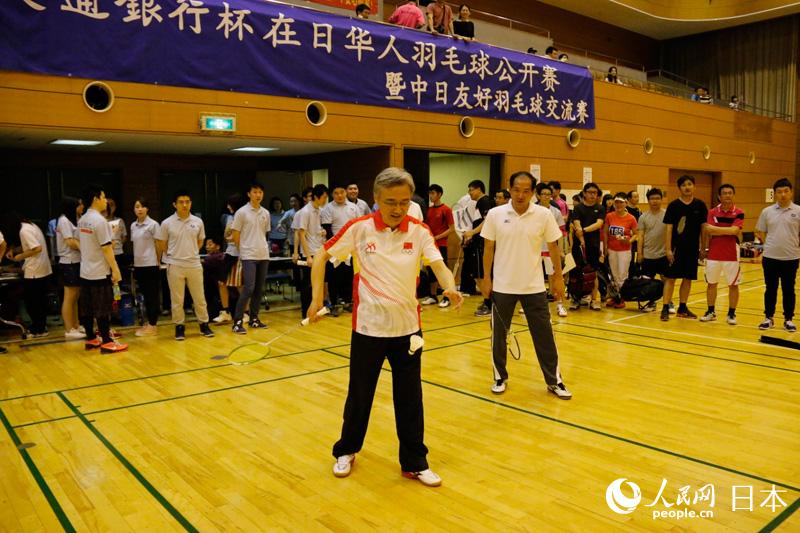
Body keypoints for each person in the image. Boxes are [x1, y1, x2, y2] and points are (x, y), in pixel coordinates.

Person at [307, 167, 463, 487]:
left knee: (410, 399)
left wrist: (450, 286)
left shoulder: (419, 231)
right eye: (391, 202)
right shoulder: (359, 228)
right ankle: (346, 450)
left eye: (404, 202)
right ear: (376, 198)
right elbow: (321, 256)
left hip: (408, 331)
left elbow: (438, 264)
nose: (398, 208)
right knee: (359, 396)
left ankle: (415, 462)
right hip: (368, 329)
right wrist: (316, 298)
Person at [480, 171, 571, 399]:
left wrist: (558, 278)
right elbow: (488, 249)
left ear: (533, 193)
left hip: (534, 287)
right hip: (502, 286)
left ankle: (554, 380)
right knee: (498, 336)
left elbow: (553, 247)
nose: (520, 195)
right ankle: (500, 377)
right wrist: (486, 279)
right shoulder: (495, 214)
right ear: (509, 189)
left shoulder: (544, 215)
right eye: (516, 190)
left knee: (545, 336)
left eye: (526, 191)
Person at [157, 190, 214, 341]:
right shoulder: (167, 223)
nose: (184, 205)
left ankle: (204, 324)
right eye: (181, 202)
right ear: (174, 204)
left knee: (199, 297)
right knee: (177, 299)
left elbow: (200, 241)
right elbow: (162, 243)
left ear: (191, 203)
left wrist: (191, 252)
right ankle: (179, 326)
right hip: (175, 265)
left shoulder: (198, 221)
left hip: (194, 264)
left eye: (187, 202)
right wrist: (173, 255)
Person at [77, 184, 127, 353]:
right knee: (103, 307)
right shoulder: (100, 221)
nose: (106, 201)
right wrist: (116, 269)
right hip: (99, 271)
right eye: (104, 197)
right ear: (95, 199)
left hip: (85, 271)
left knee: (87, 307)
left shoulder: (82, 219)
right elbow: (106, 248)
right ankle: (106, 341)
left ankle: (91, 338)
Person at [660, 175, 708, 321]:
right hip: (676, 249)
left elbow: (704, 228)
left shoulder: (700, 205)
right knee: (671, 278)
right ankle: (665, 307)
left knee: (688, 278)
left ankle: (682, 307)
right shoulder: (673, 206)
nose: (687, 187)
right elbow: (668, 229)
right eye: (683, 185)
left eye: (689, 184)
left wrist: (703, 248)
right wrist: (668, 249)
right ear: (679, 188)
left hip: (692, 249)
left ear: (694, 186)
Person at [755, 177, 800, 332]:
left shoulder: (798, 211)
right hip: (770, 258)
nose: (783, 194)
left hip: (791, 258)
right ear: (774, 194)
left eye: (786, 191)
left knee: (789, 289)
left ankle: (788, 319)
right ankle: (768, 317)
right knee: (770, 289)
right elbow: (760, 231)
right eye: (779, 192)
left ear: (791, 192)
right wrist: (768, 245)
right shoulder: (767, 212)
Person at [699, 184, 744, 325]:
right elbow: (708, 230)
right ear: (719, 196)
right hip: (714, 253)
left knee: (733, 285)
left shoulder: (739, 212)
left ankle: (731, 314)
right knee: (711, 283)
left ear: (733, 195)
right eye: (724, 193)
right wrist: (727, 230)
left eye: (730, 193)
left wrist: (716, 229)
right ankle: (710, 312)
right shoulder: (712, 212)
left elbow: (735, 231)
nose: (727, 195)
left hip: (732, 254)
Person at [230, 181, 271, 334]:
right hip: (248, 256)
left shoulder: (265, 213)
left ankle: (254, 318)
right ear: (249, 194)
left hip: (263, 254)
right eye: (255, 192)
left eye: (260, 192)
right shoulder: (241, 212)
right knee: (248, 288)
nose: (258, 195)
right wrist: (243, 251)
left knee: (259, 289)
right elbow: (235, 234)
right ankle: (237, 321)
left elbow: (265, 233)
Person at [7, 214, 53, 338]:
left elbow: (37, 248)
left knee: (33, 303)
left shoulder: (24, 231)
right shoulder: (31, 226)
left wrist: (19, 257)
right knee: (39, 301)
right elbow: (29, 245)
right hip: (42, 268)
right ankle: (41, 327)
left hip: (34, 271)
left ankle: (38, 329)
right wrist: (15, 250)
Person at [321, 184, 360, 314]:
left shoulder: (353, 207)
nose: (339, 195)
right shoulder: (328, 209)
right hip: (335, 247)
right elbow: (327, 229)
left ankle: (348, 301)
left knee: (348, 275)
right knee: (334, 276)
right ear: (332, 194)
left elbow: (358, 226)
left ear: (345, 192)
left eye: (342, 192)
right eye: (336, 193)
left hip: (351, 247)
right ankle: (334, 303)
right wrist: (337, 245)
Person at [293, 184, 329, 317]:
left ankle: (317, 309)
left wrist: (323, 232)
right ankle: (306, 312)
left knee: (318, 282)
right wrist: (307, 256)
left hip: (319, 250)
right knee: (308, 283)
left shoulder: (319, 210)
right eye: (324, 197)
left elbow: (315, 229)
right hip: (309, 252)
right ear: (316, 197)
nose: (325, 200)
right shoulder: (305, 212)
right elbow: (301, 234)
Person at [570, 182, 605, 310]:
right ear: (584, 193)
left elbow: (598, 224)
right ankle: (576, 299)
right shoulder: (578, 208)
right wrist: (581, 239)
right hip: (579, 246)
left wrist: (584, 231)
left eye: (595, 193)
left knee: (593, 273)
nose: (592, 195)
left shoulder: (600, 208)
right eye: (590, 192)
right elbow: (576, 224)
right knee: (576, 273)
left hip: (593, 245)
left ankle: (594, 300)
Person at [535, 183, 567, 317]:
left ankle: (560, 304)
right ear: (538, 195)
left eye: (549, 194)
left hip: (550, 249)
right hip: (535, 249)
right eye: (544, 194)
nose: (546, 196)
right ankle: (531, 305)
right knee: (534, 277)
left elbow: (561, 232)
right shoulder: (533, 210)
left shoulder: (556, 212)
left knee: (555, 277)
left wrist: (561, 249)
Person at [461, 180, 493, 315]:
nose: (469, 193)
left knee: (482, 274)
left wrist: (473, 232)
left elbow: (488, 221)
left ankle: (489, 303)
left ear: (479, 189)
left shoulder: (485, 201)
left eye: (471, 190)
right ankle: (488, 300)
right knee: (477, 274)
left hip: (482, 244)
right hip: (477, 243)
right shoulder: (479, 203)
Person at [131, 197, 161, 337]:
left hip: (151, 264)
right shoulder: (133, 225)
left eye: (142, 206)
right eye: (137, 206)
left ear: (147, 209)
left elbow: (158, 244)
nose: (140, 209)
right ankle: (148, 323)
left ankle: (153, 325)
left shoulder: (153, 225)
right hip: (139, 265)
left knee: (152, 296)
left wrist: (158, 260)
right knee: (143, 296)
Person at [421, 184, 455, 308]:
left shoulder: (446, 210)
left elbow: (452, 229)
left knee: (442, 269)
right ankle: (433, 296)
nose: (431, 196)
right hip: (430, 245)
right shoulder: (429, 210)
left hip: (441, 244)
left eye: (433, 193)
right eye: (430, 193)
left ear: (439, 194)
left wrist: (437, 237)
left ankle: (447, 297)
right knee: (431, 271)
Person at [56, 196, 85, 340]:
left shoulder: (75, 220)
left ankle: (75, 325)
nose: (82, 207)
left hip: (76, 261)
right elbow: (70, 241)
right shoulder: (64, 220)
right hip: (69, 262)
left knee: (76, 296)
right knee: (69, 297)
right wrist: (86, 248)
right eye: (79, 205)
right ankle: (69, 329)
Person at [636, 188, 668, 312]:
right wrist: (639, 253)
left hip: (663, 254)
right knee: (648, 282)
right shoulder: (643, 217)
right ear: (648, 200)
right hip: (648, 255)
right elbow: (640, 236)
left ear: (661, 199)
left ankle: (668, 303)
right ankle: (651, 302)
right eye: (652, 198)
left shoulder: (667, 214)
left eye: (657, 198)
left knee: (666, 280)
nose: (655, 201)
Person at [603, 193, 637, 308]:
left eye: (621, 202)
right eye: (616, 202)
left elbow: (636, 234)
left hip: (624, 251)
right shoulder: (609, 216)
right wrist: (605, 248)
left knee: (622, 275)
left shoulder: (631, 218)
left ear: (626, 203)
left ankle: (622, 298)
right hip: (612, 250)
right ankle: (615, 297)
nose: (618, 205)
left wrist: (629, 240)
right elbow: (605, 232)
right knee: (614, 275)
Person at [105, 198, 128, 272]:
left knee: (118, 274)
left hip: (118, 253)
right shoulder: (101, 221)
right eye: (108, 205)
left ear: (115, 207)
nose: (110, 207)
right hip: (105, 254)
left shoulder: (120, 220)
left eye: (112, 205)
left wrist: (119, 244)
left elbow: (124, 236)